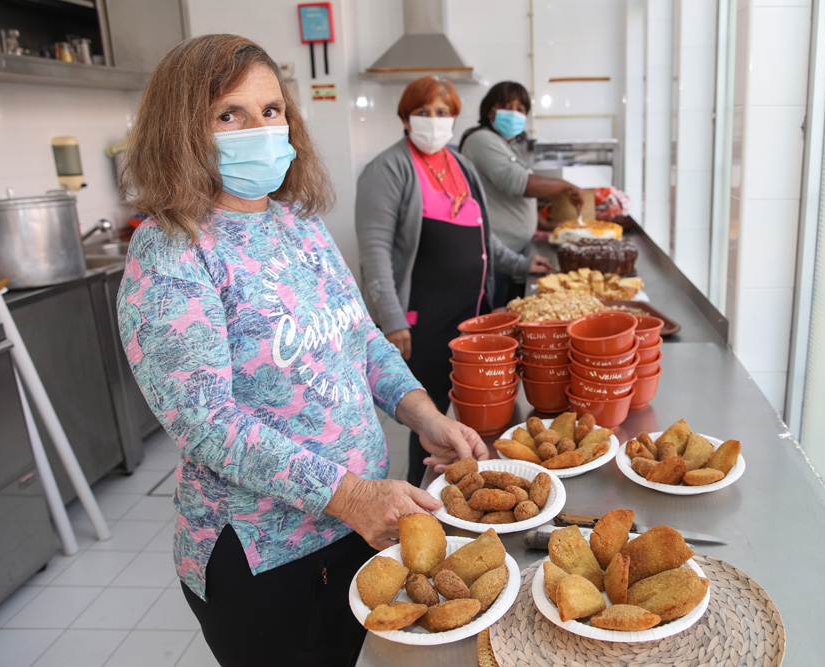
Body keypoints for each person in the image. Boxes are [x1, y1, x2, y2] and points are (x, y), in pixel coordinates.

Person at [116, 35, 488, 667]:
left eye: (270, 110)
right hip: (269, 557)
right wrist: (347, 494)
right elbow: (209, 424)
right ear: (181, 131)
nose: (258, 128)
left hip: (358, 526)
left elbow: (361, 338)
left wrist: (425, 415)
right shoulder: (172, 250)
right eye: (228, 114)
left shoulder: (297, 223)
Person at [355, 76, 550, 487]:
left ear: (455, 117)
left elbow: (483, 236)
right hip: (421, 323)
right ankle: (422, 498)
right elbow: (374, 252)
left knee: (473, 414)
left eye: (442, 113)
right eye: (423, 112)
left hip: (471, 315)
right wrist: (391, 320)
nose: (433, 120)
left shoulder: (460, 164)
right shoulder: (388, 168)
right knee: (428, 422)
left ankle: (473, 486)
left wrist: (520, 265)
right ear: (405, 117)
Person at [459, 81, 585, 303]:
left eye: (521, 109)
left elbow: (509, 195)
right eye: (508, 107)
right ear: (490, 110)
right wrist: (565, 186)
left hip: (511, 254)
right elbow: (517, 183)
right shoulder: (481, 140)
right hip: (495, 254)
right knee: (495, 316)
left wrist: (541, 224)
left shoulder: (506, 144)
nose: (515, 114)